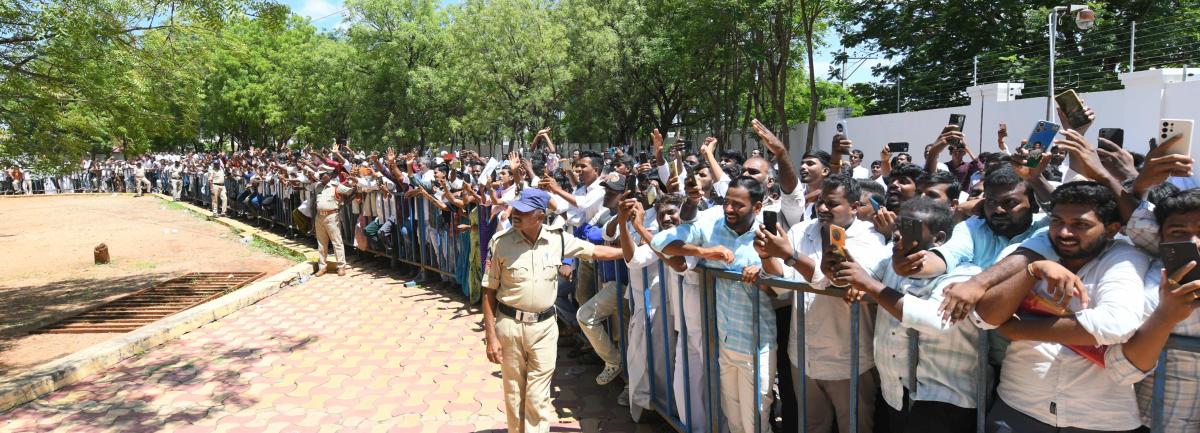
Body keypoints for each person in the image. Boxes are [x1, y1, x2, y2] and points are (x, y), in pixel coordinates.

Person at [968, 182, 1150, 433]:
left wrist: (1017, 330)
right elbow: (985, 317)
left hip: (1098, 418)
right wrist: (1033, 271)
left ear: (1111, 229)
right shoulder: (1032, 251)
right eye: (1057, 221)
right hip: (1018, 406)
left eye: (1080, 225)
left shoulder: (1123, 258)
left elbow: (1115, 324)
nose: (1064, 232)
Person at [832, 197, 987, 433]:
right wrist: (839, 268)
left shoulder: (964, 273)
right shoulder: (891, 257)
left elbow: (937, 319)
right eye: (899, 227)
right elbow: (865, 271)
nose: (899, 236)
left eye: (911, 229)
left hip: (943, 398)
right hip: (896, 391)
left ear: (939, 239)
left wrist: (870, 286)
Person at [481, 187, 623, 433]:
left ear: (539, 215)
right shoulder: (501, 243)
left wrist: (635, 251)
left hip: (544, 328)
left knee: (538, 395)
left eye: (522, 211)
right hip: (510, 326)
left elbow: (596, 251)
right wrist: (491, 335)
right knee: (514, 393)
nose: (514, 214)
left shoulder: (557, 238)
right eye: (515, 208)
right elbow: (488, 291)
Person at [756, 174, 888, 433]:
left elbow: (839, 280)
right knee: (813, 427)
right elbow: (781, 286)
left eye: (833, 203)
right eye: (821, 202)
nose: (823, 208)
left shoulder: (871, 237)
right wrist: (767, 256)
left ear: (854, 207)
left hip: (849, 360)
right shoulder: (800, 231)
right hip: (803, 356)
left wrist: (791, 256)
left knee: (855, 427)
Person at [653, 176, 778, 433]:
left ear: (757, 207)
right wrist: (705, 252)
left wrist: (764, 268)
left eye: (738, 205)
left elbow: (784, 286)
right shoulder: (712, 228)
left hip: (756, 345)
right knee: (732, 419)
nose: (729, 209)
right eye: (727, 202)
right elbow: (660, 243)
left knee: (755, 422)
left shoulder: (768, 236)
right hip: (725, 344)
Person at [309, 166, 356, 277]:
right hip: (319, 217)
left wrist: (343, 204)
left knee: (337, 242)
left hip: (332, 216)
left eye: (323, 174)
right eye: (320, 175)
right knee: (321, 244)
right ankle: (322, 267)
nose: (321, 176)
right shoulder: (317, 187)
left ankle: (341, 266)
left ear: (329, 175)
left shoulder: (336, 186)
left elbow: (352, 192)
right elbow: (314, 203)